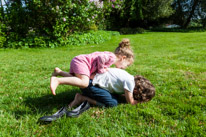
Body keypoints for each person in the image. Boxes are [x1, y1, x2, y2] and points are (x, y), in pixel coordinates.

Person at [50, 38, 134, 95]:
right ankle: (57, 80)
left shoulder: (111, 56)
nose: (123, 68)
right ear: (123, 58)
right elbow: (100, 58)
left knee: (76, 79)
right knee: (84, 83)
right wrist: (101, 69)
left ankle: (59, 72)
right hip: (82, 62)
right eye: (125, 65)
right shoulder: (112, 58)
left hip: (79, 60)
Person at [68, 68, 156, 108]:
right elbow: (131, 102)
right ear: (136, 91)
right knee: (113, 103)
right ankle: (82, 98)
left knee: (116, 97)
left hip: (89, 80)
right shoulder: (130, 83)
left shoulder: (129, 77)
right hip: (90, 85)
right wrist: (136, 102)